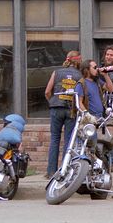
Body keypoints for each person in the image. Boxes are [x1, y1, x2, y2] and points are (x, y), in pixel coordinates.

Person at [44, 51, 82, 179]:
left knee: (54, 139)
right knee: (68, 141)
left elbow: (47, 91)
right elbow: (82, 95)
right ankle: (64, 170)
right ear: (77, 61)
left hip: (56, 108)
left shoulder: (56, 72)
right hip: (71, 110)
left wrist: (53, 102)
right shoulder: (79, 75)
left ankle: (50, 172)